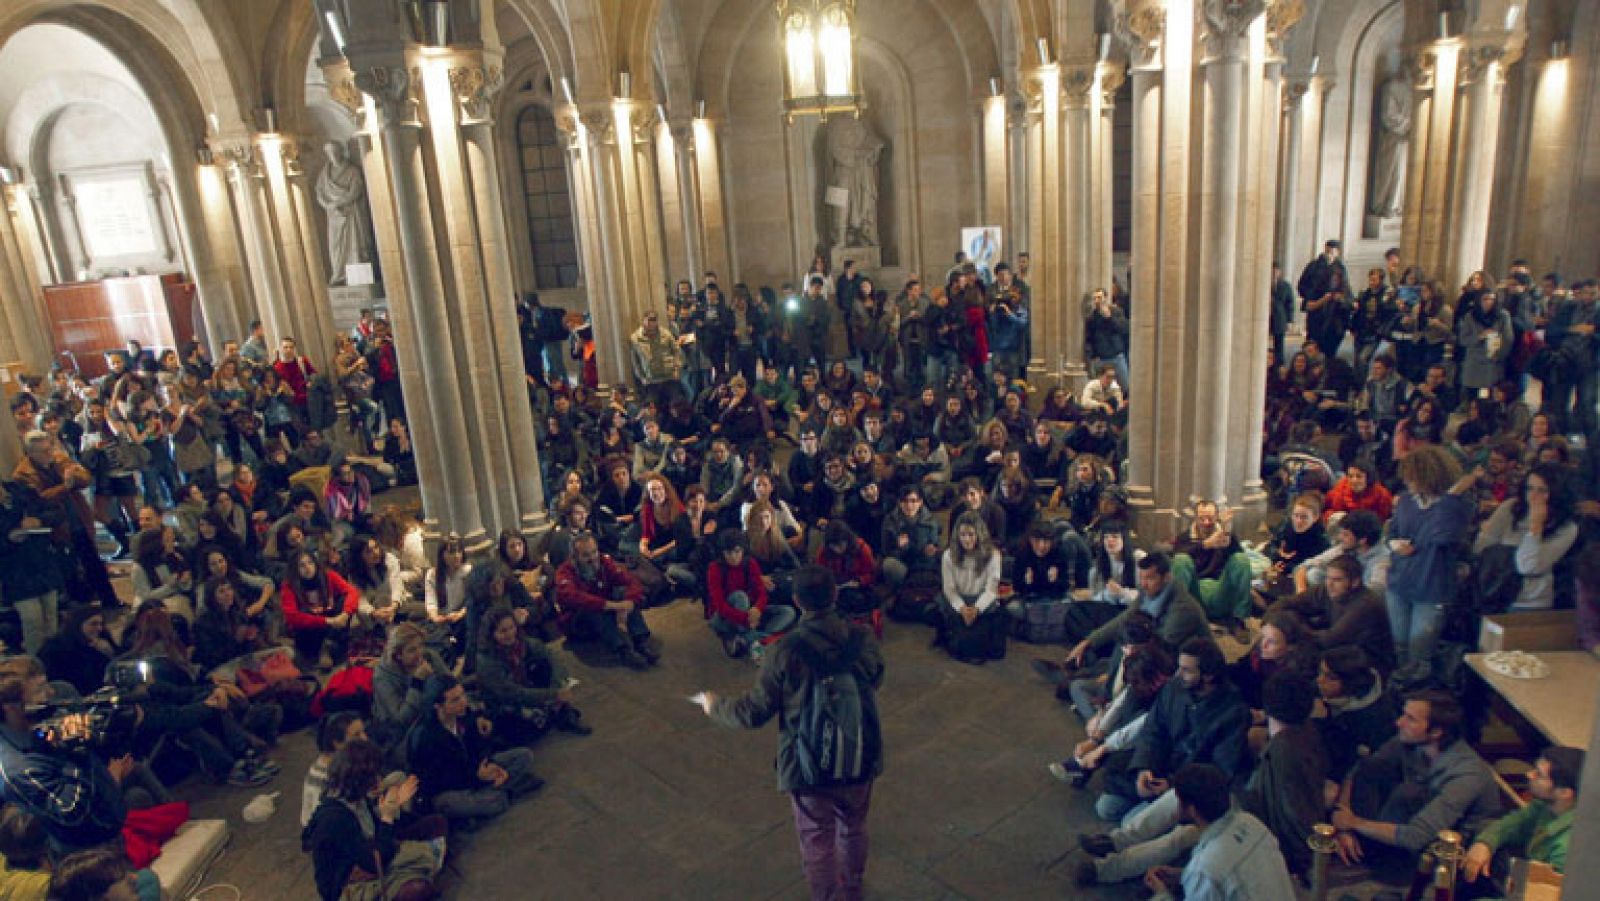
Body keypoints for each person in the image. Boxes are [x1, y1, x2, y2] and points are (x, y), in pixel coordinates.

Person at [698, 567, 885, 901]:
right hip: (860, 751)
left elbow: (754, 712)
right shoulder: (863, 638)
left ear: (797, 602)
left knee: (817, 837)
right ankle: (853, 886)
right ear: (835, 595)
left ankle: (829, 896)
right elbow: (875, 677)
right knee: (854, 824)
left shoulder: (784, 651)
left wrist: (715, 707)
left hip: (807, 761)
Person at [1331, 689, 1503, 867]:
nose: (1399, 723)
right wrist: (1343, 816)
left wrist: (1353, 823)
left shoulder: (1466, 776)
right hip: (1408, 822)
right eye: (1403, 715)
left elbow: (1416, 836)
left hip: (1449, 852)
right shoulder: (1411, 742)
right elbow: (1361, 770)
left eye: (1410, 719)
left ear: (1436, 732)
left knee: (1406, 794)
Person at [1089, 637, 1250, 823]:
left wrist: (1174, 784)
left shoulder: (1234, 712)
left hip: (1188, 787)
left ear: (1208, 675)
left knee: (1129, 822)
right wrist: (1145, 767)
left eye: (1186, 670)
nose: (1177, 674)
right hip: (1160, 769)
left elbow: (1220, 769)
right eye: (1179, 667)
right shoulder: (1174, 688)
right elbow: (1153, 731)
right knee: (1106, 808)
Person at [303, 739, 441, 901]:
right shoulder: (336, 819)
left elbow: (377, 833)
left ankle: (423, 868)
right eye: (374, 775)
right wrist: (388, 816)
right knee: (418, 888)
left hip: (372, 854)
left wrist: (395, 807)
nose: (378, 779)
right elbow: (375, 861)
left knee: (436, 824)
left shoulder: (353, 796)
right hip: (349, 884)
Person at [1137, 764, 1297, 901]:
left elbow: (1214, 873)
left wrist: (1162, 894)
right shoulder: (1251, 822)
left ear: (1191, 810)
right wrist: (1184, 876)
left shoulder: (1204, 870)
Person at [406, 675, 543, 826]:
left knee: (524, 755)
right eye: (455, 700)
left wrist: (488, 765)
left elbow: (479, 748)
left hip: (472, 773)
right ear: (438, 706)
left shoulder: (464, 716)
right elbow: (439, 779)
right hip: (448, 789)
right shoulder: (427, 738)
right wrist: (478, 776)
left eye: (462, 695)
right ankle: (508, 789)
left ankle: (495, 793)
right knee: (486, 802)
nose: (463, 702)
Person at [1459, 746, 1582, 897]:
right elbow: (1514, 823)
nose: (1529, 774)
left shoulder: (1566, 850)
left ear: (1564, 793)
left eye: (1539, 775)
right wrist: (1485, 843)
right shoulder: (1547, 806)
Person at [1063, 553, 1209, 671]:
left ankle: (1102, 680)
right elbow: (1125, 618)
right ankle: (1091, 670)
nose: (1144, 584)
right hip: (1155, 645)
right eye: (1141, 578)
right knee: (1118, 631)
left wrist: (1128, 653)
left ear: (1167, 577)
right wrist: (1089, 641)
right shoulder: (1150, 592)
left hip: (1184, 664)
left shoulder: (1182, 608)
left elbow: (1162, 646)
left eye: (1150, 578)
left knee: (1128, 641)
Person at [553, 532, 657, 669]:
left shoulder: (603, 562)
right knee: (592, 609)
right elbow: (575, 597)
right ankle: (623, 650)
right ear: (574, 557)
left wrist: (629, 603)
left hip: (604, 611)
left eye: (594, 552)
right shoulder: (564, 572)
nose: (592, 558)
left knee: (624, 595)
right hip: (577, 623)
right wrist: (612, 606)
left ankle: (640, 641)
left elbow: (631, 581)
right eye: (586, 555)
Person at [937, 512, 1006, 664]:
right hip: (958, 600)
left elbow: (991, 590)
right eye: (962, 534)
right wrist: (962, 608)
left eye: (971, 534)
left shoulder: (993, 555)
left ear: (979, 535)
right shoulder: (948, 556)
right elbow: (949, 589)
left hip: (982, 601)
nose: (966, 539)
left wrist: (976, 609)